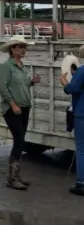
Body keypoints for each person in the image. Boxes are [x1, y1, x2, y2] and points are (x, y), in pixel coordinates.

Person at [0, 35, 41, 191]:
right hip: (12, 108)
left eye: (24, 47)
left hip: (24, 106)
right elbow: (3, 88)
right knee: (19, 140)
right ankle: (12, 178)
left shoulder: (22, 66)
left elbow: (22, 85)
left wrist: (31, 82)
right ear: (13, 49)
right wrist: (13, 104)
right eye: (21, 47)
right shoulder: (6, 66)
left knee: (21, 140)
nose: (24, 50)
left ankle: (16, 174)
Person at [59, 47, 84, 196]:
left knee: (81, 148)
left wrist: (63, 81)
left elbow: (72, 89)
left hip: (82, 113)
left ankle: (81, 183)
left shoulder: (82, 71)